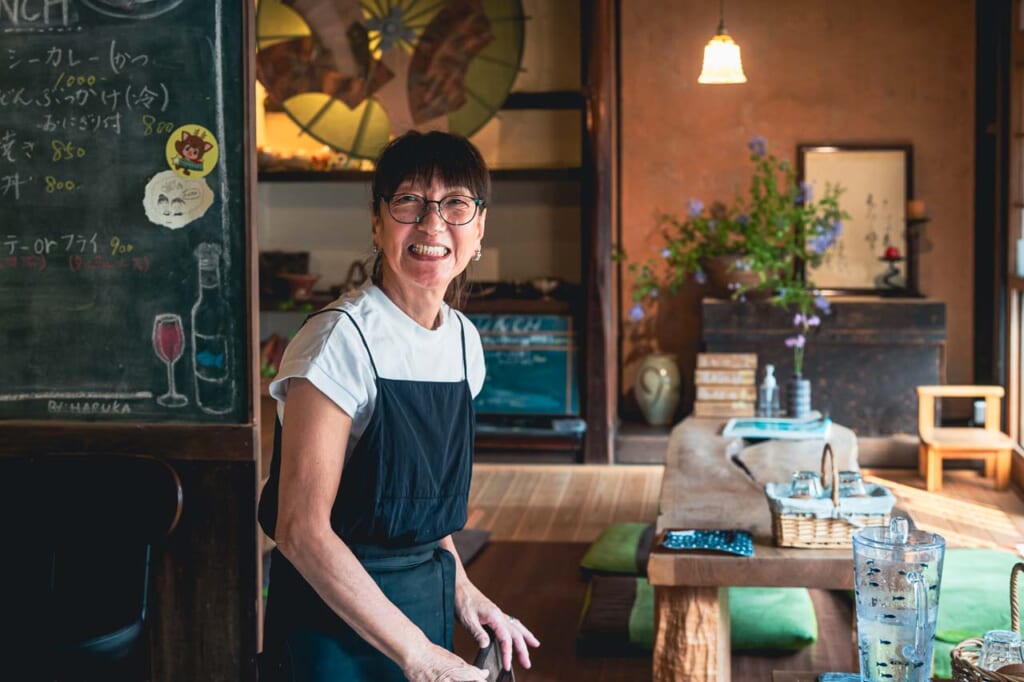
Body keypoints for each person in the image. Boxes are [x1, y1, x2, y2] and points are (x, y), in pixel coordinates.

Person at [258, 130, 540, 682]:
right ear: (377, 221)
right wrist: (419, 655)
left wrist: (466, 593)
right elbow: (300, 530)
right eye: (410, 201)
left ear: (479, 229)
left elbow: (417, 511)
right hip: (332, 627)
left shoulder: (463, 342)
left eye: (455, 204)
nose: (432, 225)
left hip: (422, 615)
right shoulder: (338, 340)